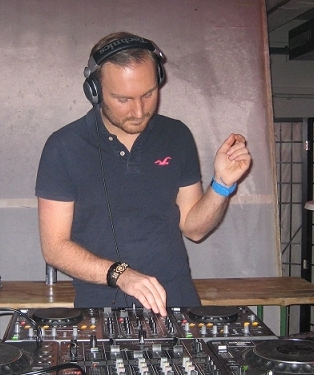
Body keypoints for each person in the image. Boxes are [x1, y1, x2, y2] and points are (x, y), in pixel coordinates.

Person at [35, 32, 251, 316]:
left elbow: (194, 228)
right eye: (123, 99)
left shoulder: (177, 135)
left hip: (176, 300)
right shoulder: (64, 147)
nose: (139, 111)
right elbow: (55, 247)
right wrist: (121, 274)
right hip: (101, 308)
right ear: (94, 91)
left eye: (148, 94)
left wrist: (221, 185)